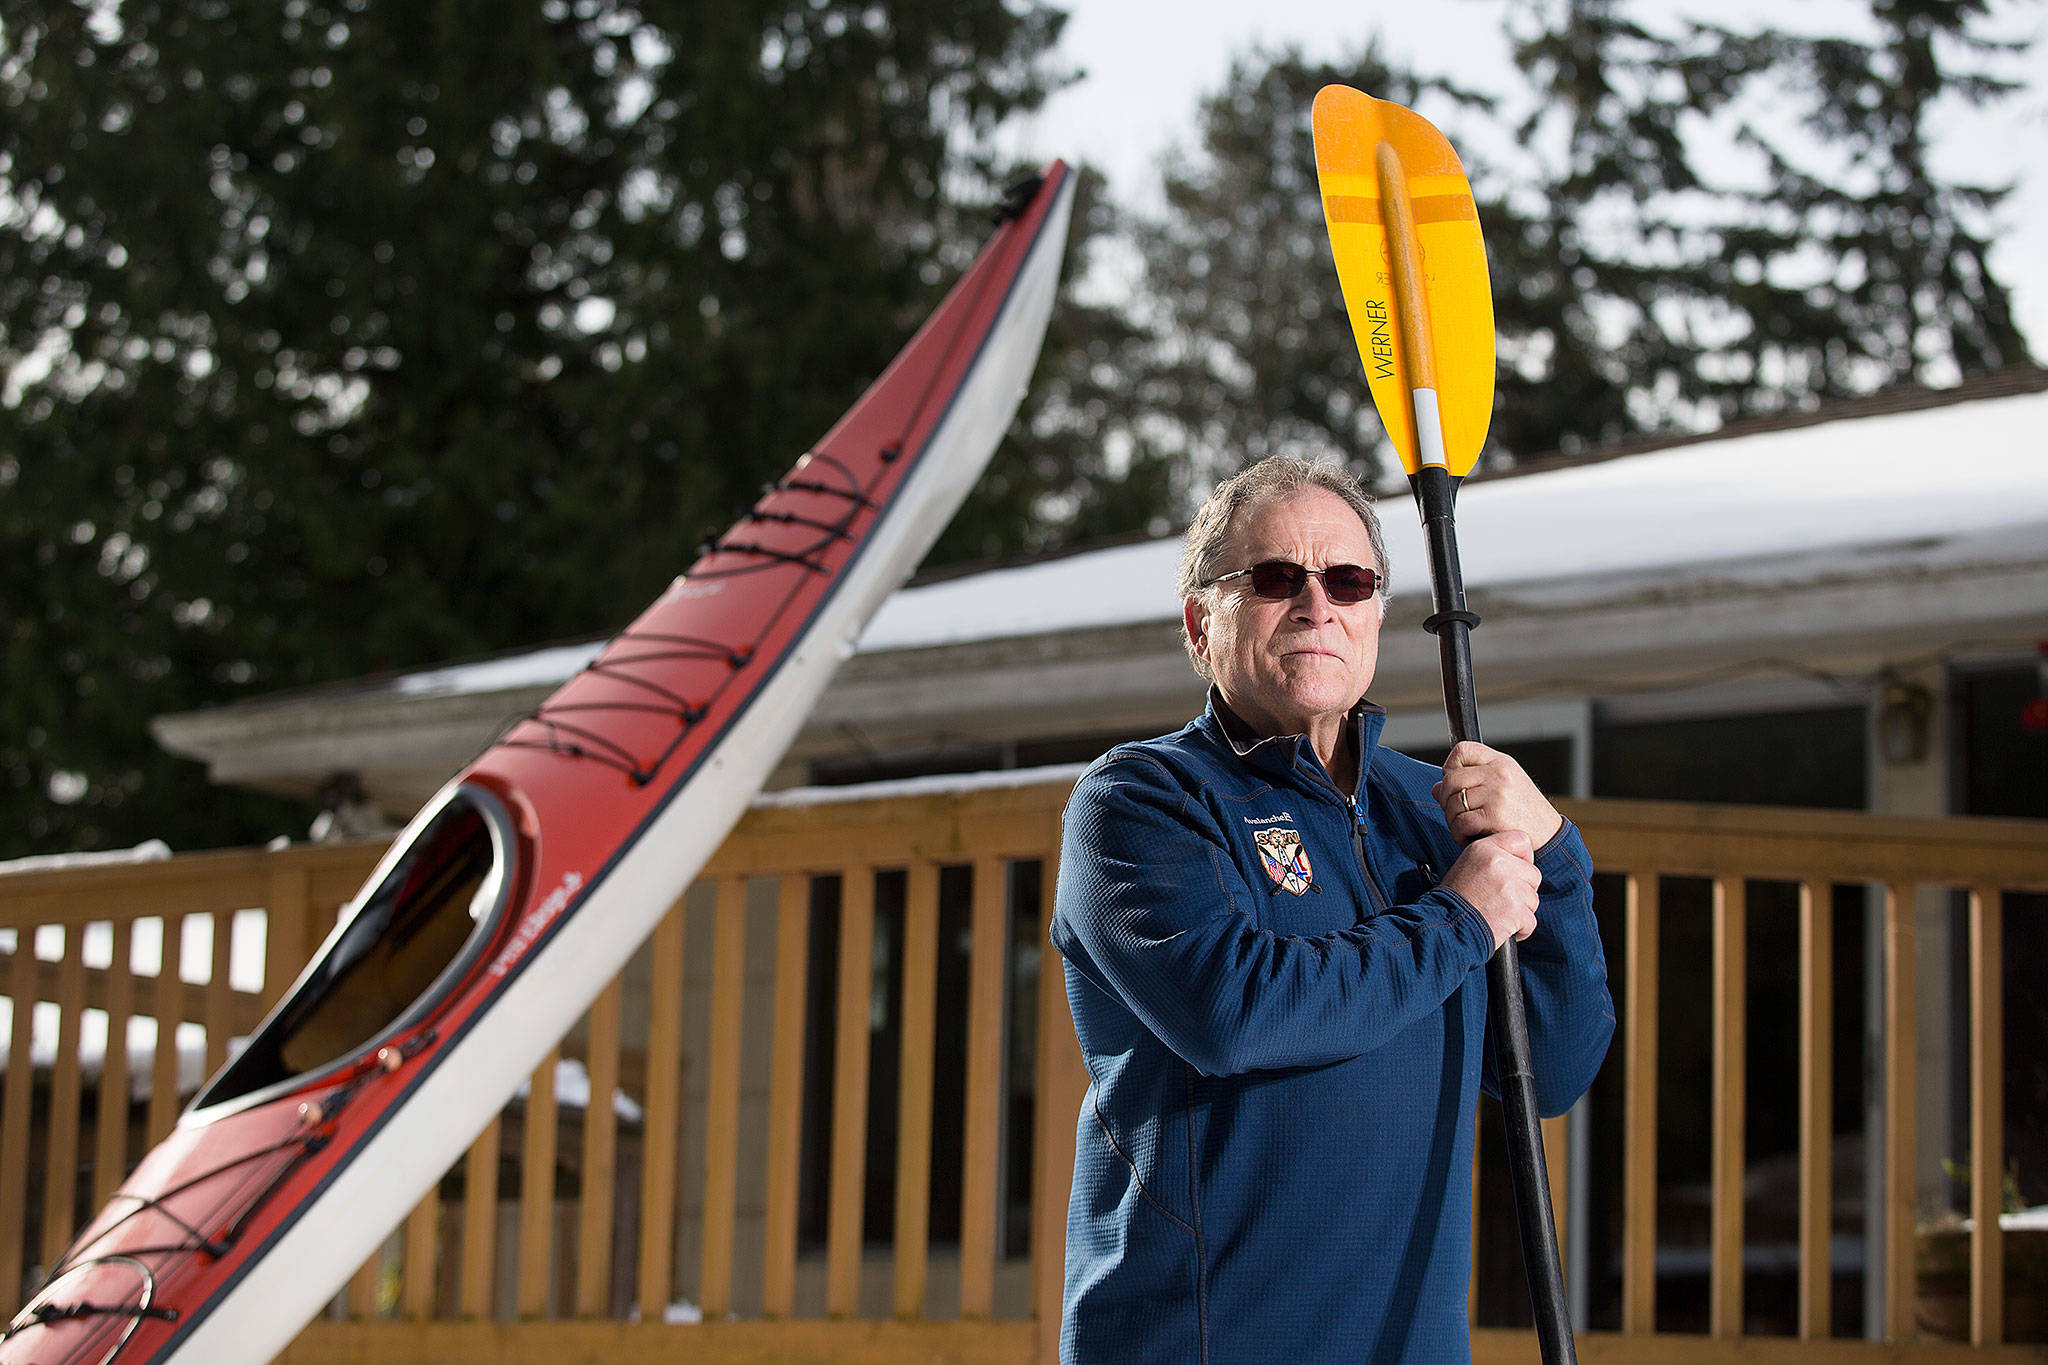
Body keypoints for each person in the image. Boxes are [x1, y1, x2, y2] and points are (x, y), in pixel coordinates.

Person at [1050, 455, 1614, 1363]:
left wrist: (1555, 854)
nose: (1319, 603)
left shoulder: (1437, 814)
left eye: (1348, 579)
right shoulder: (1142, 801)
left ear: (1376, 615)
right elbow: (1231, 1009)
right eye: (1276, 578)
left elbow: (1547, 1067)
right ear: (1202, 623)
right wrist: (1459, 921)